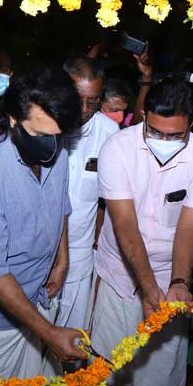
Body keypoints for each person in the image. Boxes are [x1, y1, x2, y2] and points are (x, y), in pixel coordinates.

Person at [0, 69, 86, 378]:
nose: (52, 145)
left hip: (41, 293)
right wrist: (48, 332)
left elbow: (58, 202)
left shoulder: (53, 142)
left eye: (58, 136)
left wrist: (62, 259)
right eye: (41, 136)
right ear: (11, 118)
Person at [90, 79, 193, 386]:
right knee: (109, 372)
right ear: (145, 115)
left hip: (170, 280)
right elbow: (124, 223)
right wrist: (147, 288)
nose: (164, 140)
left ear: (192, 123)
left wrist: (178, 282)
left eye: (176, 135)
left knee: (159, 378)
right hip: (119, 276)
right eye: (156, 131)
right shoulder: (117, 148)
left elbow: (190, 227)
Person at [55, 58, 119, 338]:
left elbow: (107, 200)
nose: (83, 110)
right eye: (77, 99)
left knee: (72, 339)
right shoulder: (40, 126)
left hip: (80, 257)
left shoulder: (108, 133)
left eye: (92, 102)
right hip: (38, 256)